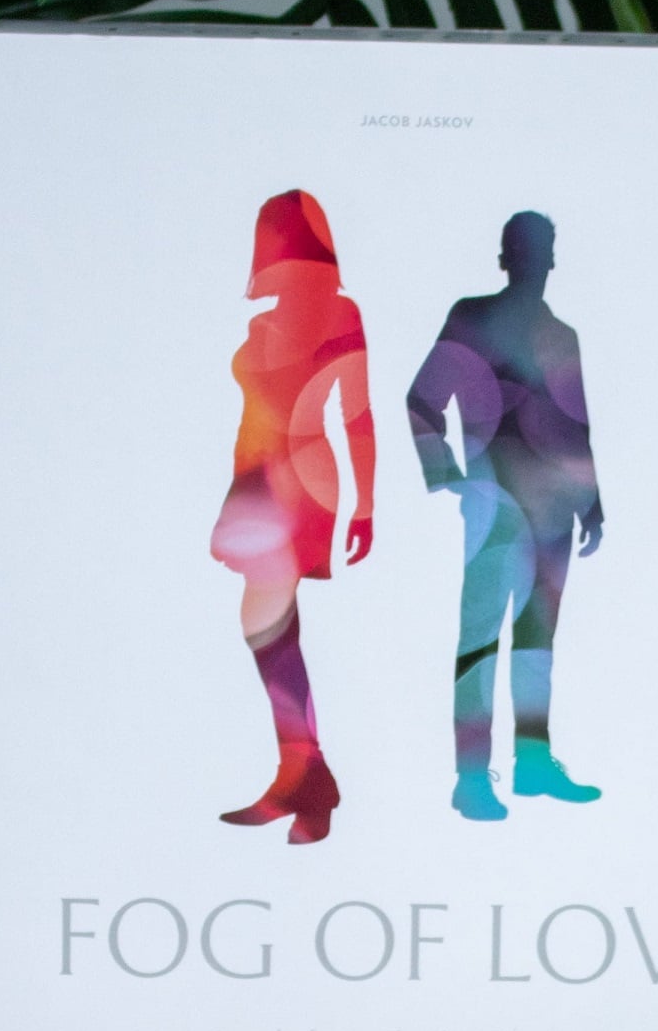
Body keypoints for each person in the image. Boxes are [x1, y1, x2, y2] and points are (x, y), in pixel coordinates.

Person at [405, 211, 605, 822]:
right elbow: (422, 399)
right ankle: (471, 778)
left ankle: (532, 764)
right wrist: (449, 474)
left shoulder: (561, 335)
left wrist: (592, 501)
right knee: (482, 641)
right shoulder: (473, 319)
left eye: (542, 252)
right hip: (497, 507)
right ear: (507, 259)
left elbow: (576, 425)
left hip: (554, 514)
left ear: (550, 261)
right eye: (528, 250)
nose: (536, 262)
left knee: (536, 644)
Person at [209, 189, 375, 844]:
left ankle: (304, 777)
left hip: (300, 477)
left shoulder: (338, 314)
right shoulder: (263, 326)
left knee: (268, 626)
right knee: (269, 629)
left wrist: (365, 504)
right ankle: (304, 777)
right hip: (256, 478)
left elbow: (356, 414)